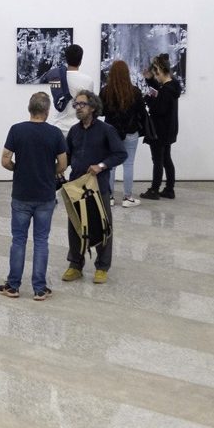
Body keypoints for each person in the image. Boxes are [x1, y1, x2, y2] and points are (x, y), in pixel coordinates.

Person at [0, 92, 67, 300]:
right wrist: (49, 171)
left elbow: (5, 160)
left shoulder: (17, 130)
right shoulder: (55, 134)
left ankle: (13, 286)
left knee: (18, 240)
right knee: (41, 241)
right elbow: (63, 164)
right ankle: (39, 288)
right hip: (45, 195)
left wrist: (18, 168)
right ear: (47, 112)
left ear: (30, 109)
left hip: (21, 194)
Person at [62, 90, 127, 284]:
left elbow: (120, 154)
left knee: (102, 226)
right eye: (76, 105)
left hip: (98, 187)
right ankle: (75, 264)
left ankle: (102, 267)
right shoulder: (74, 130)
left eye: (81, 104)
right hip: (76, 186)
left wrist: (101, 166)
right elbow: (66, 154)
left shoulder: (106, 130)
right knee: (75, 226)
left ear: (92, 107)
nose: (78, 108)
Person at [99, 60, 146, 207]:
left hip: (110, 133)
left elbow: (101, 111)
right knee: (129, 164)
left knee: (110, 165)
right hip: (131, 132)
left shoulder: (105, 91)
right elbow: (141, 113)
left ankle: (110, 197)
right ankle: (127, 197)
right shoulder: (135, 92)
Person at [140, 53, 181, 200]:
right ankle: (169, 189)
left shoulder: (166, 90)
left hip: (160, 131)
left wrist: (148, 100)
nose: (155, 76)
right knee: (166, 159)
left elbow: (159, 110)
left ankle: (154, 190)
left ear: (160, 70)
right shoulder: (172, 86)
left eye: (155, 73)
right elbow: (159, 89)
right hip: (169, 130)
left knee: (158, 160)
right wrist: (150, 80)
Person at [46, 44, 94, 137]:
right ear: (81, 60)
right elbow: (89, 105)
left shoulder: (55, 77)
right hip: (79, 127)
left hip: (58, 126)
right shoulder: (88, 81)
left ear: (66, 59)